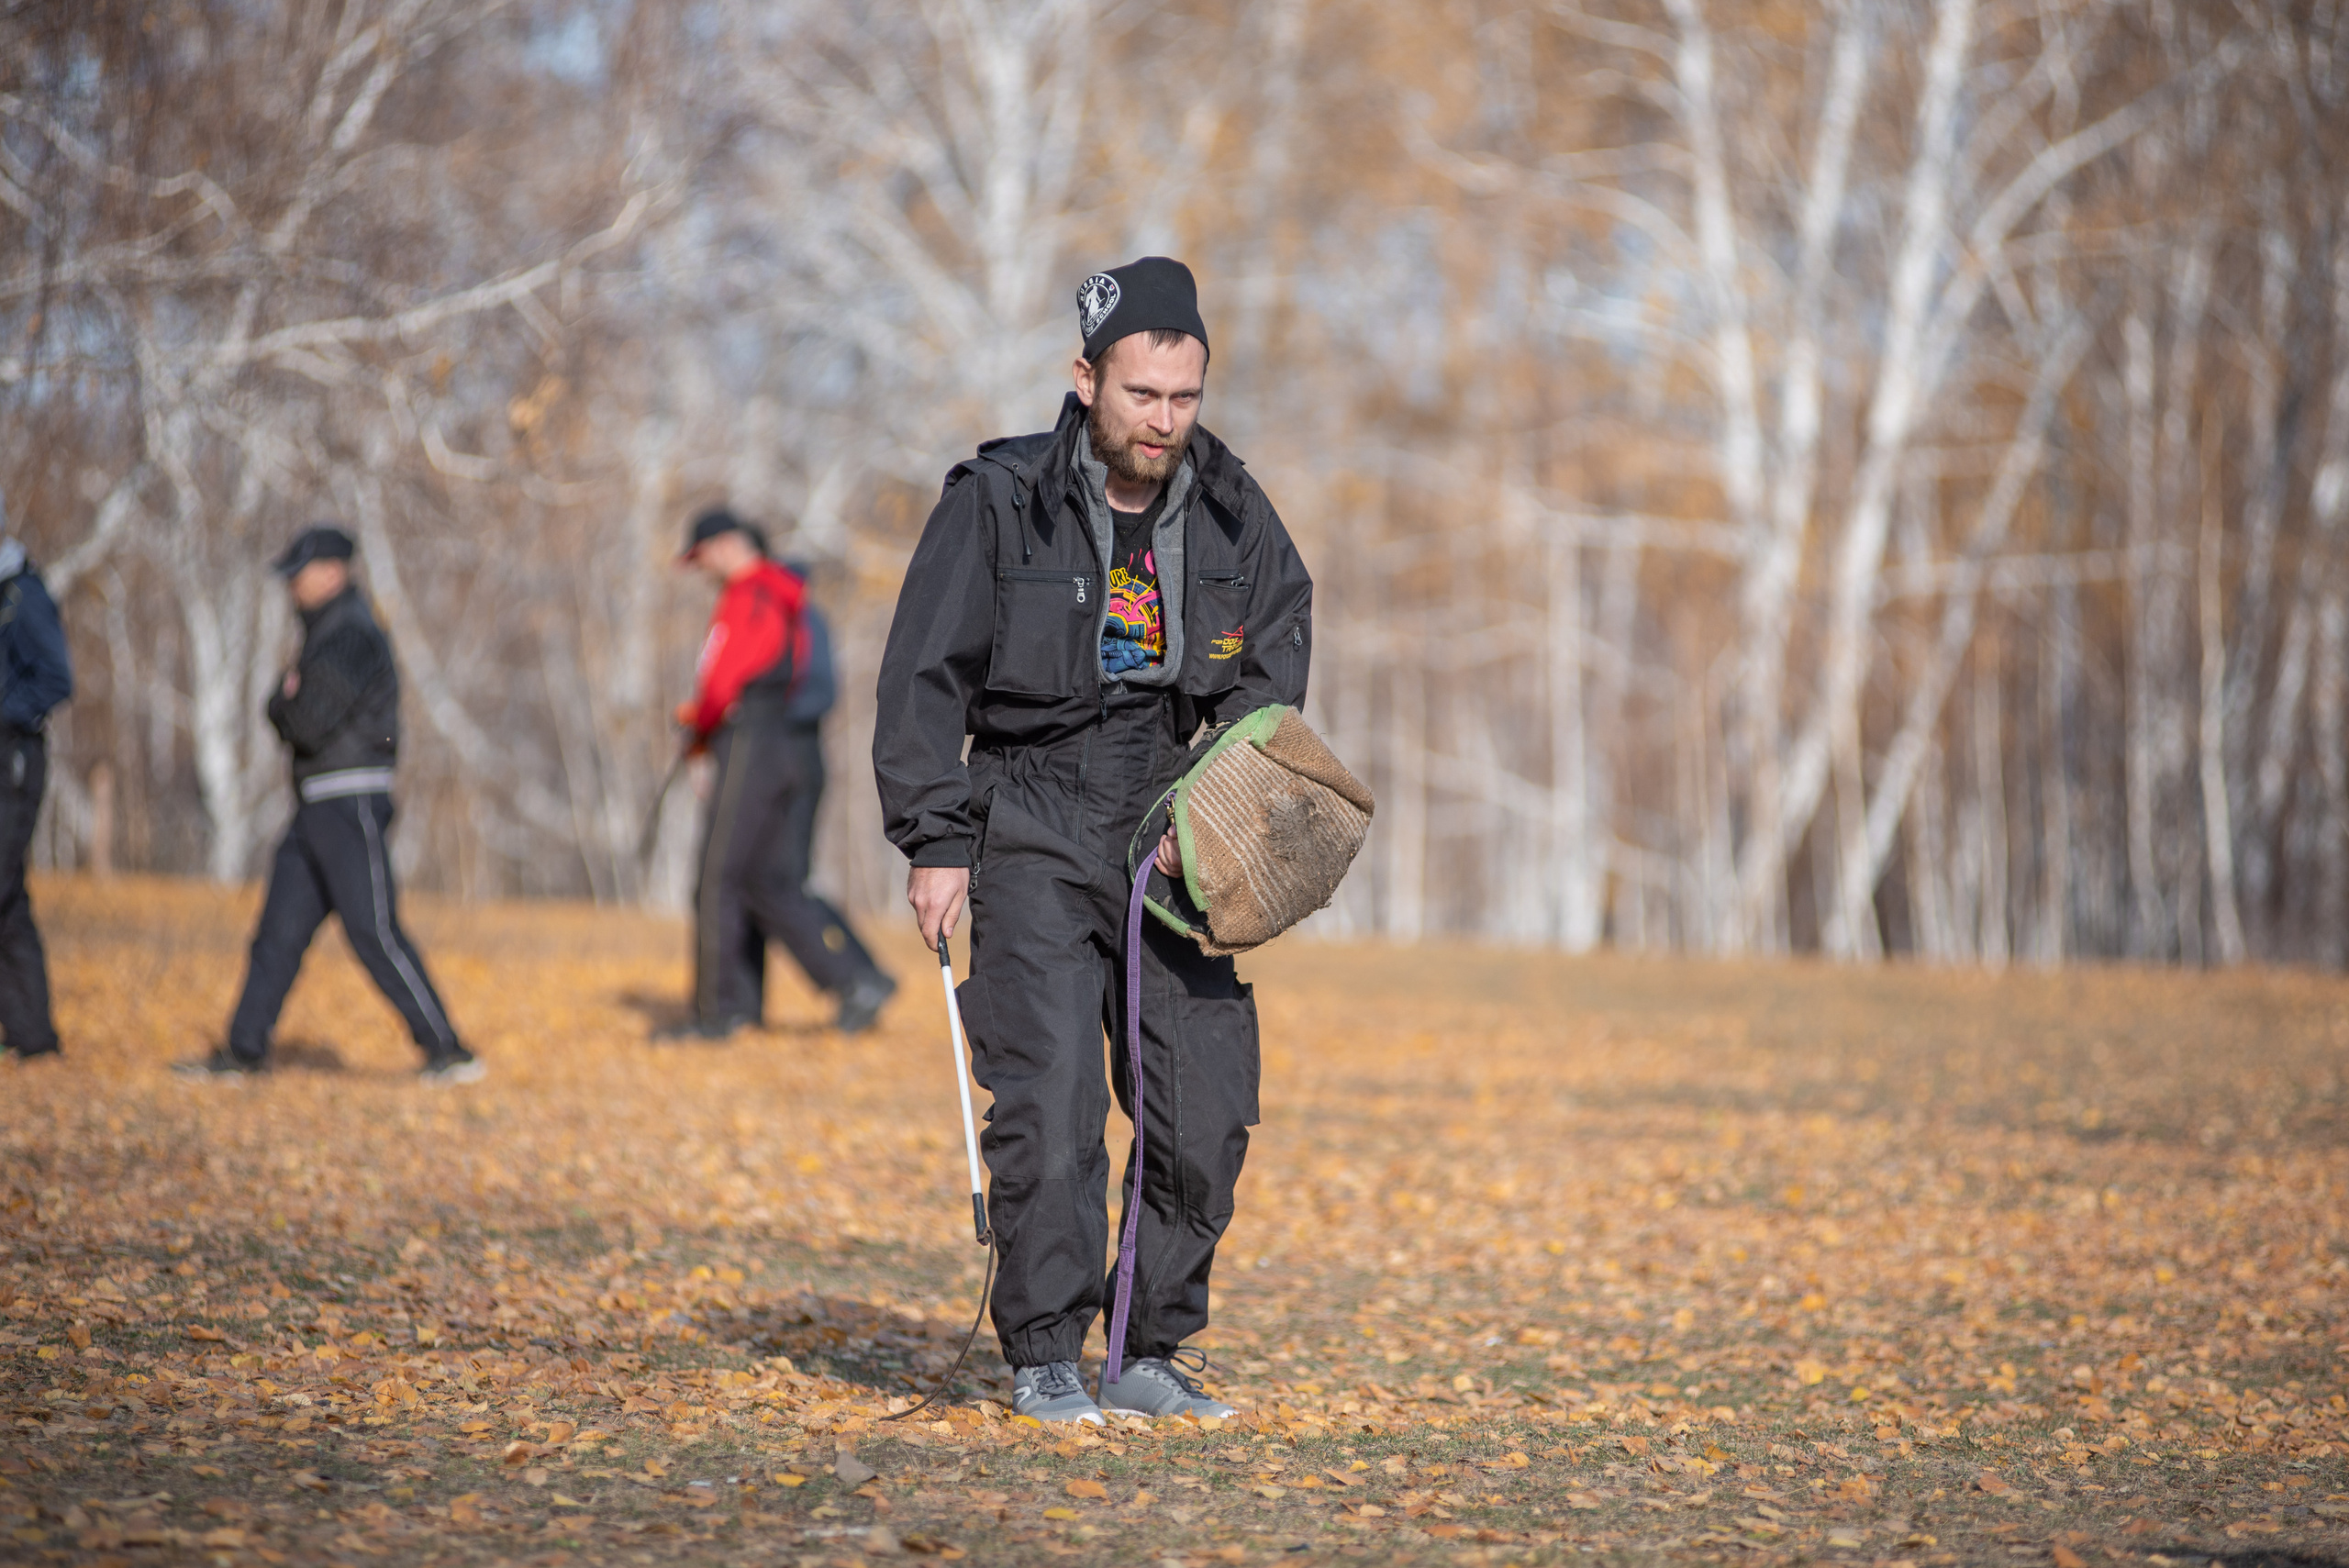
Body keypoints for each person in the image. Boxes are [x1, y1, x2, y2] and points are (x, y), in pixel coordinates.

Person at [874, 257, 1313, 1423]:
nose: (1165, 421)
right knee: (1053, 1094)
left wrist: (1217, 806)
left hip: (1175, 826)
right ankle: (1045, 1350)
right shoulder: (998, 497)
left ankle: (1146, 1344)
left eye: (1185, 397)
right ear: (1085, 379)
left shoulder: (1231, 506)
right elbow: (925, 675)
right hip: (1030, 811)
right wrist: (935, 838)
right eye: (1142, 397)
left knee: (1202, 1102)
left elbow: (1273, 666)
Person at [179, 525, 479, 1083]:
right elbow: (285, 705)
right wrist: (284, 697)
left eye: (300, 572)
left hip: (350, 800)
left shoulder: (352, 635)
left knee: (374, 931)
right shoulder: (324, 634)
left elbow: (307, 719)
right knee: (278, 934)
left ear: (334, 571)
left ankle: (449, 1051)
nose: (291, 584)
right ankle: (243, 1051)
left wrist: (286, 698)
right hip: (314, 804)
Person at [662, 509, 896, 1041]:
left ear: (724, 546)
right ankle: (840, 984)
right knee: (765, 880)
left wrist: (699, 724)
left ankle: (718, 1014)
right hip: (782, 748)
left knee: (718, 878)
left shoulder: (754, 594)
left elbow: (726, 676)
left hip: (756, 740)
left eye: (701, 559)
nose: (703, 571)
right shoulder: (787, 594)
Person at [0, 492, 73, 1065]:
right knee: (8, 897)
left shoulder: (24, 595)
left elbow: (55, 679)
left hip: (16, 758)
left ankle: (34, 1035)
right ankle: (32, 1034)